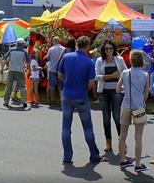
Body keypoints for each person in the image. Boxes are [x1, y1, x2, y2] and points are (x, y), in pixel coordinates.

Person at [58, 36, 104, 164]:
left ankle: (67, 156)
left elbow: (60, 75)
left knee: (66, 127)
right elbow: (91, 84)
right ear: (88, 46)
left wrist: (67, 82)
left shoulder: (66, 57)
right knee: (87, 127)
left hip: (67, 94)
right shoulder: (89, 62)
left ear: (77, 45)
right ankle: (94, 154)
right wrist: (83, 88)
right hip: (81, 96)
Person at [116, 50, 150, 172]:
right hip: (138, 106)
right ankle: (138, 164)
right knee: (138, 136)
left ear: (130, 60)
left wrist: (125, 89)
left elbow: (118, 89)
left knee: (122, 135)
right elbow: (146, 94)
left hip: (126, 105)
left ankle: (122, 160)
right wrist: (142, 102)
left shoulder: (125, 73)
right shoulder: (145, 75)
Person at [95, 40, 127, 153]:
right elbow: (97, 76)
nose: (109, 51)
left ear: (114, 49)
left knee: (117, 116)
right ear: (103, 50)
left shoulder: (119, 59)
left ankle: (122, 142)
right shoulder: (99, 60)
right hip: (103, 92)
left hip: (117, 91)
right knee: (106, 118)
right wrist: (111, 76)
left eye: (111, 48)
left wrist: (121, 78)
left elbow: (126, 72)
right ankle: (108, 142)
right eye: (106, 49)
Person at [3, 38, 29, 109]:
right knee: (22, 87)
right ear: (22, 44)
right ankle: (24, 102)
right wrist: (28, 69)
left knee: (9, 86)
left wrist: (3, 68)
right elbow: (28, 61)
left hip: (11, 70)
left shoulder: (11, 50)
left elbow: (6, 59)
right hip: (20, 71)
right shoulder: (24, 51)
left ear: (16, 43)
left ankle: (6, 102)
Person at [43, 37, 65, 105]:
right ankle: (61, 99)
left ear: (53, 41)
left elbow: (48, 58)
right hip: (60, 70)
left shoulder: (51, 49)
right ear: (59, 41)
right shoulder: (63, 49)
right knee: (60, 85)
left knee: (52, 85)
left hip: (52, 69)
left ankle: (52, 100)